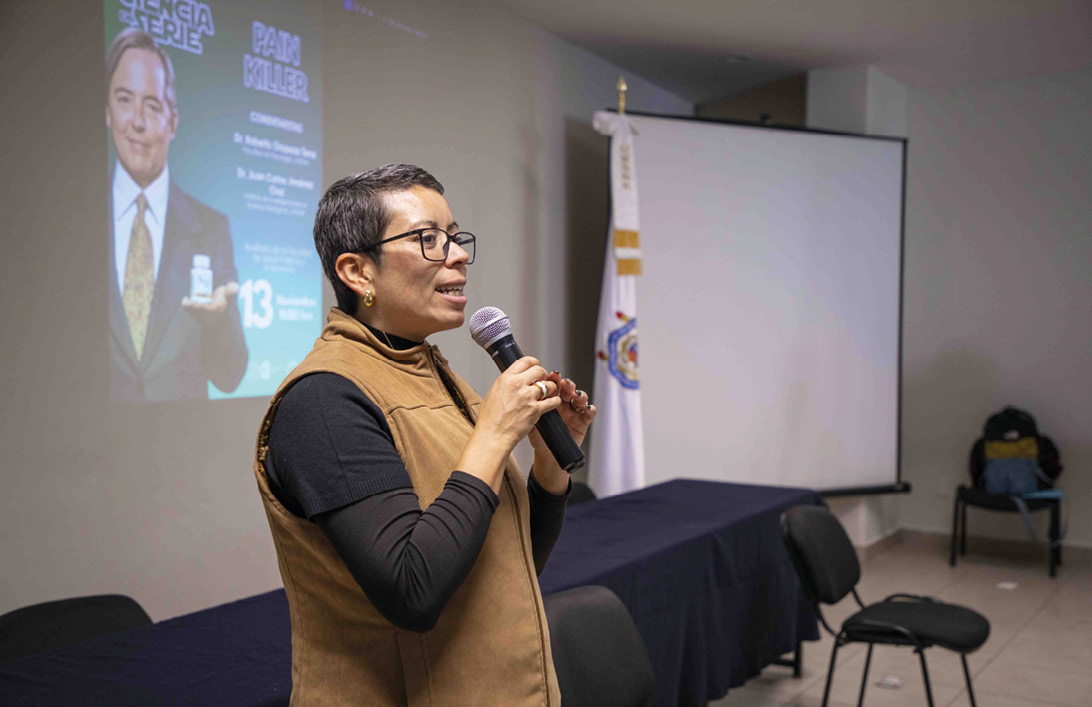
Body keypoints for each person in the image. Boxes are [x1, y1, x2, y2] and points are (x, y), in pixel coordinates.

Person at [253, 164, 596, 706]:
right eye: (428, 239)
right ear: (357, 272)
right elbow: (412, 590)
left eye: (455, 237)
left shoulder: (435, 375)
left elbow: (511, 564)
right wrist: (493, 435)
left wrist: (548, 468)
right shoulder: (322, 401)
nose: (457, 255)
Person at [106, 28, 247, 401]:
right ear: (107, 110)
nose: (137, 121)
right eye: (124, 99)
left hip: (182, 433)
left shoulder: (210, 229)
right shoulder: (76, 228)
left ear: (173, 122)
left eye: (153, 105)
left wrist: (217, 324)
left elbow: (230, 376)